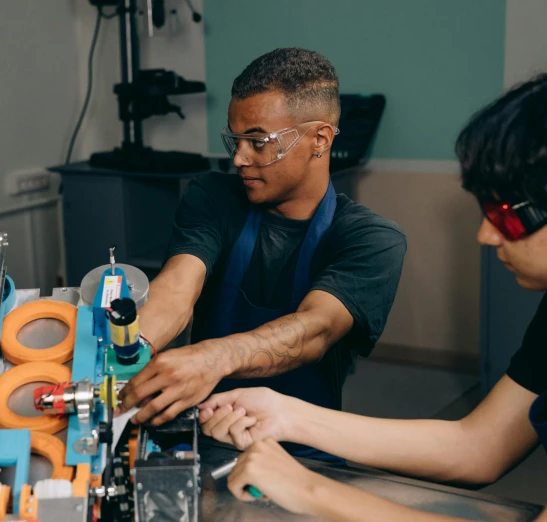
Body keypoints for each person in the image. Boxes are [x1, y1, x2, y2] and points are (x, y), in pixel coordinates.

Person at [198, 73, 547, 521]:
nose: (485, 235)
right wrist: (286, 415)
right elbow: (479, 446)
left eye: (506, 215)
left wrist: (311, 490)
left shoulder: (370, 235)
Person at [117, 48, 407, 460]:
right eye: (235, 140)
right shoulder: (213, 197)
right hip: (204, 436)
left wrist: (213, 358)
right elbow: (178, 286)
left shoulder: (370, 239)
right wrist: (132, 347)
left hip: (306, 453)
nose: (239, 158)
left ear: (320, 140)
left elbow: (315, 329)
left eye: (258, 142)